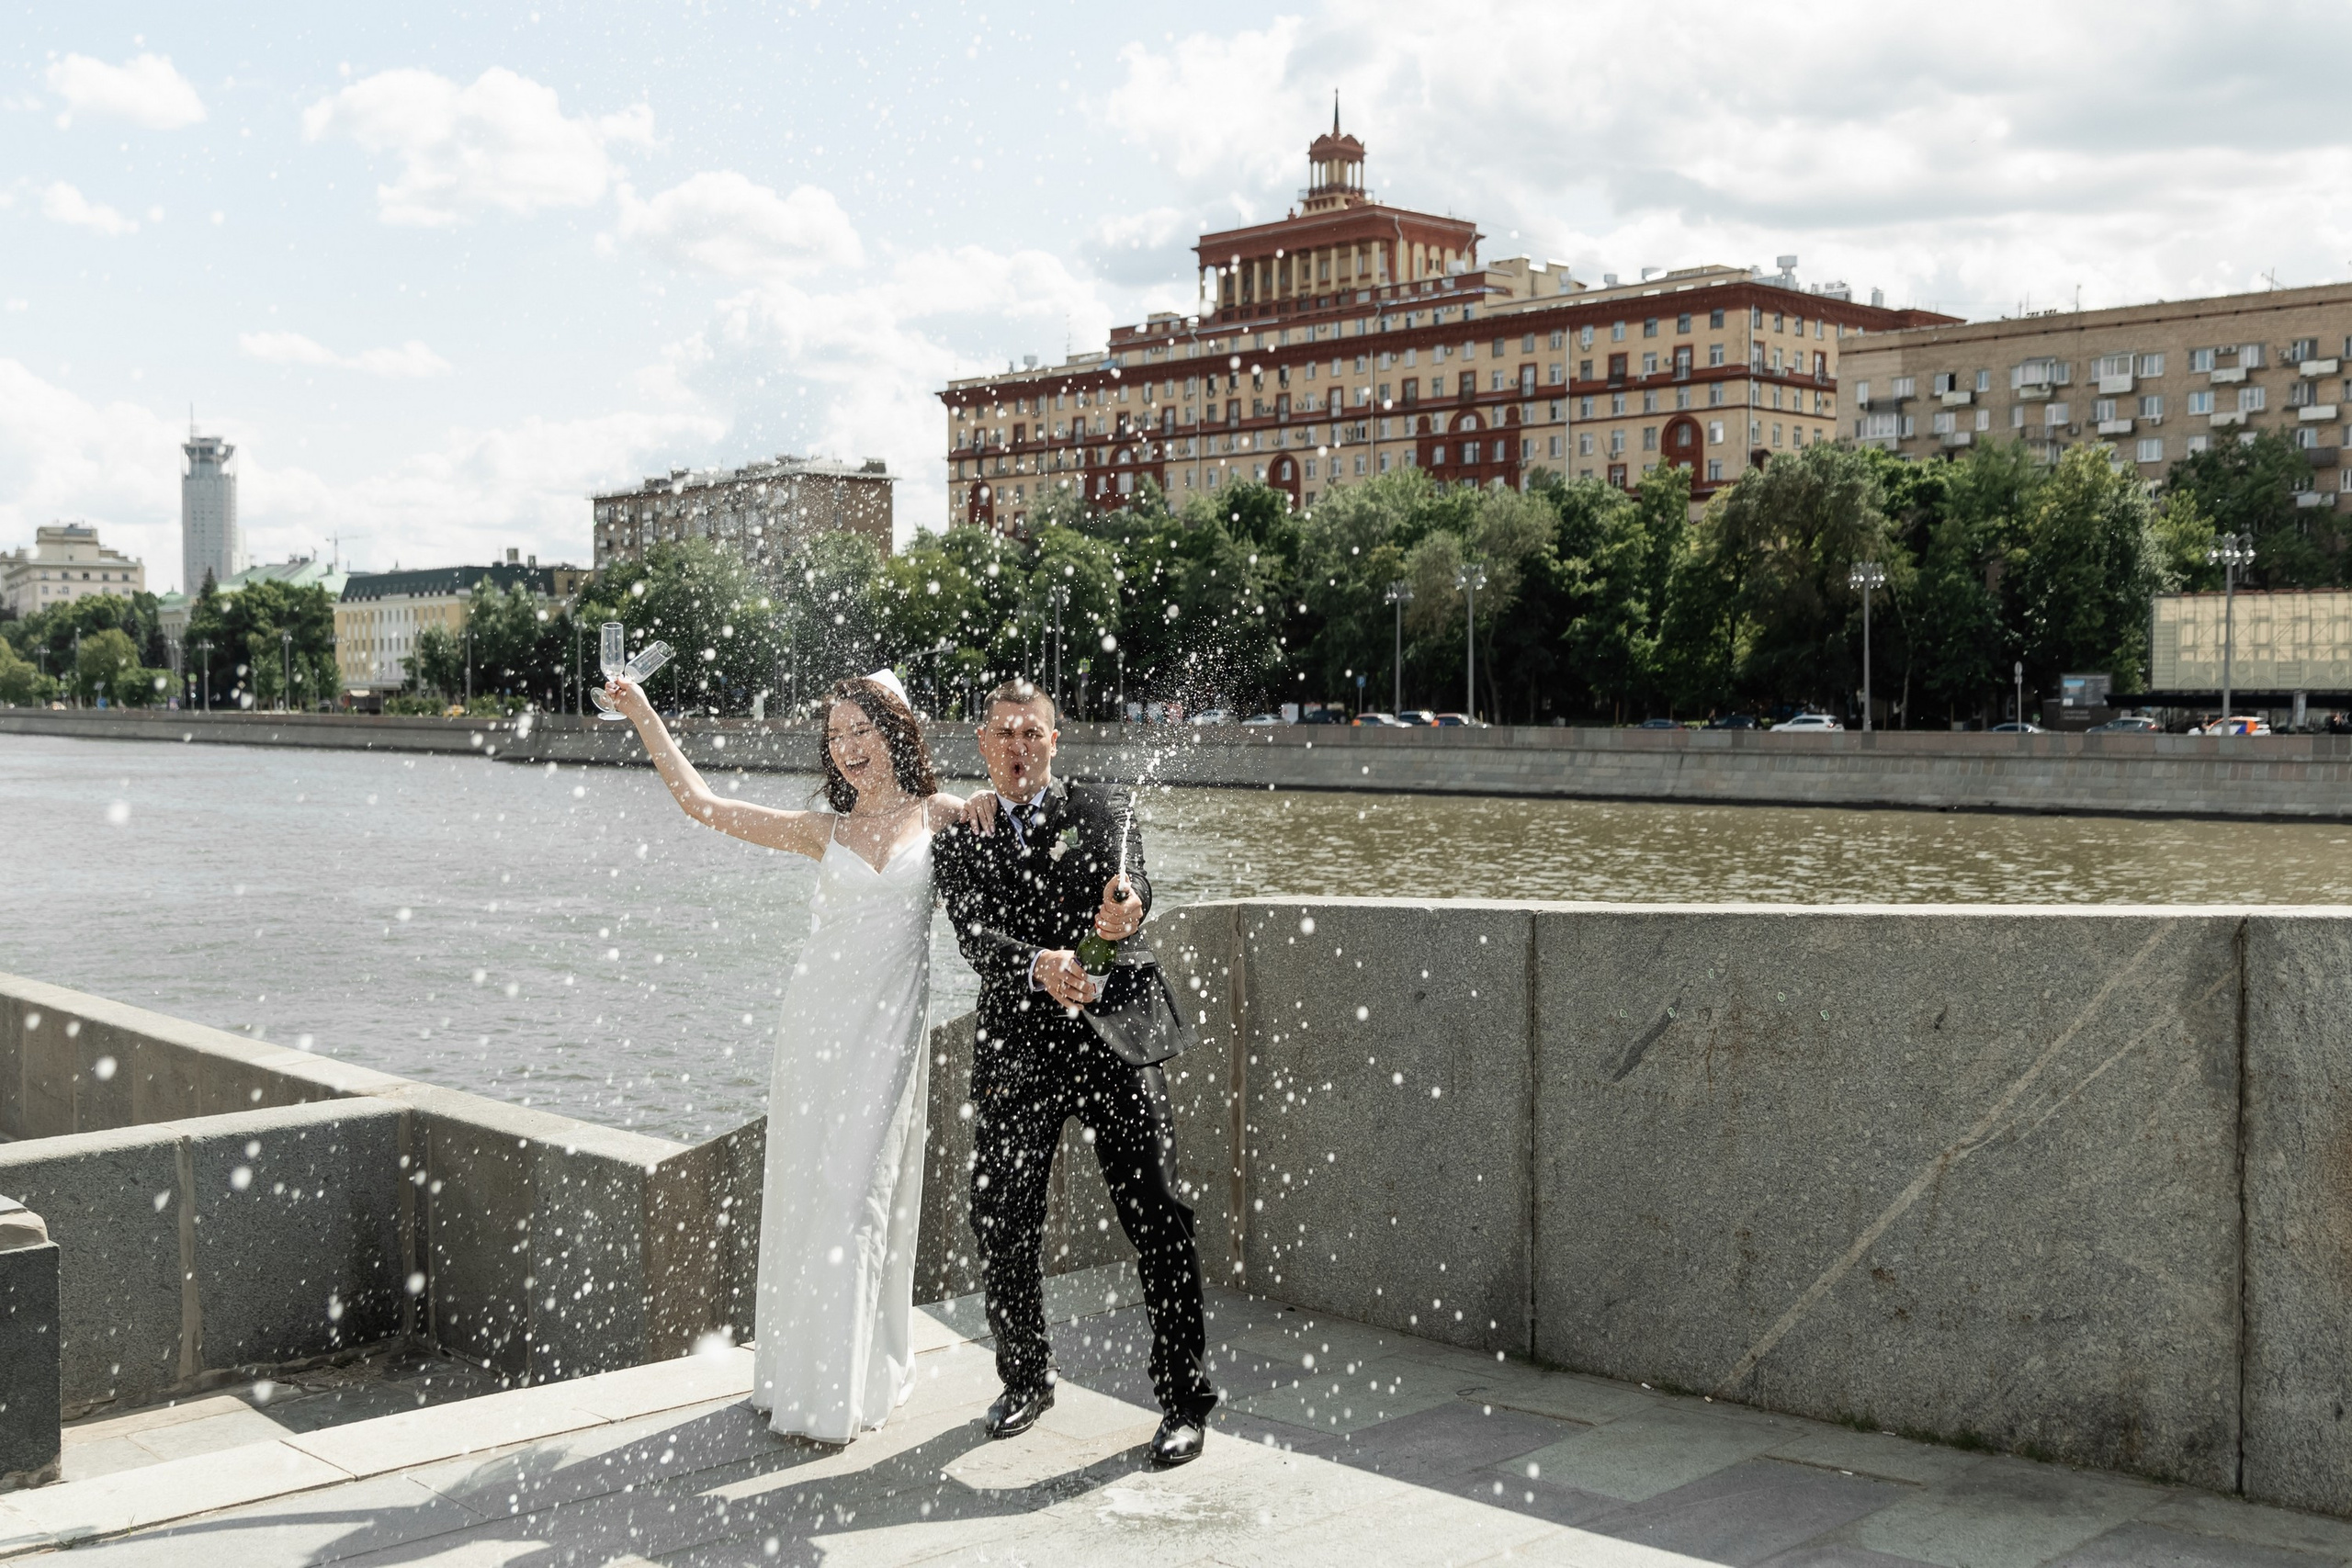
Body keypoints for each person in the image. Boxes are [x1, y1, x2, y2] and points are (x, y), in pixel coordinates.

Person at [602, 666, 972, 1445]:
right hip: (814, 1035)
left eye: (861, 731)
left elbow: (1024, 848)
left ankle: (846, 1387)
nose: (847, 749)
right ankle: (802, 1381)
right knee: (810, 1198)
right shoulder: (822, 830)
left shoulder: (943, 817)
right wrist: (643, 713)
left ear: (896, 731)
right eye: (835, 737)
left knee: (856, 1198)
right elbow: (702, 805)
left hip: (888, 1037)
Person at [933, 678, 1217, 1468]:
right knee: (1000, 1215)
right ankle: (1026, 1376)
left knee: (1158, 1212)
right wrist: (1038, 963)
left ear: (1055, 741)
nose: (1017, 746)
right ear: (982, 744)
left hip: (1110, 1040)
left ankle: (1184, 1400)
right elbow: (975, 937)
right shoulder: (962, 834)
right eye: (1002, 734)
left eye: (1031, 732)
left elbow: (1138, 885)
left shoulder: (1104, 809)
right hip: (1018, 1052)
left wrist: (1131, 908)